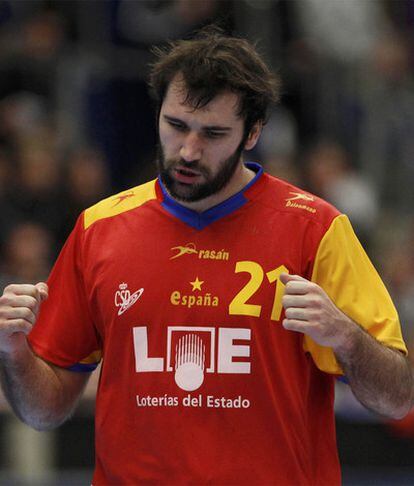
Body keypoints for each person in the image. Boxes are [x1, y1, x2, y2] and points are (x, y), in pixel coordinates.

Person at [0, 27, 412, 486]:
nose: (189, 151)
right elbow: (44, 411)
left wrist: (345, 336)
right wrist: (13, 350)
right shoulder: (99, 229)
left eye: (214, 133)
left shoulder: (315, 229)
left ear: (253, 133)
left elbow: (397, 399)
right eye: (176, 126)